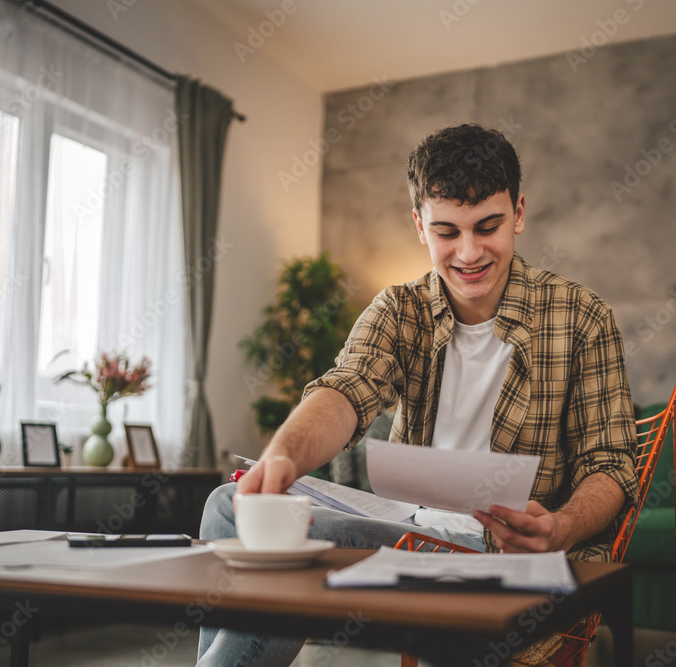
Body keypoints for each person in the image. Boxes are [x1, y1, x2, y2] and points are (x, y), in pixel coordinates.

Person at [196, 123, 638, 667]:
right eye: (447, 231)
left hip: (498, 554)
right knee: (229, 504)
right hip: (404, 533)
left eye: (489, 226)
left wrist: (561, 527)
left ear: (519, 213)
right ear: (419, 227)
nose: (469, 252)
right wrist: (283, 456)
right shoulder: (399, 310)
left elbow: (611, 466)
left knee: (263, 532)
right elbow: (345, 391)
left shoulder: (581, 317)